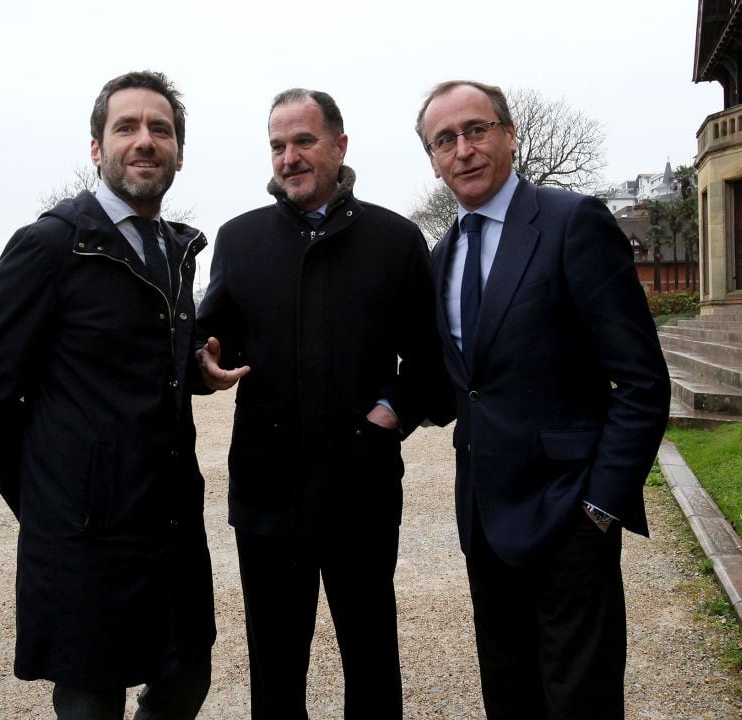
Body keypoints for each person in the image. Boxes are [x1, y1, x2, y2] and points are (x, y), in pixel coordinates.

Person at [415, 80, 672, 719]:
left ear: (508, 134)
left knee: (578, 703)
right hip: (484, 521)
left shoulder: (571, 223)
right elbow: (460, 383)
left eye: (476, 130)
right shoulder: (441, 256)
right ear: (432, 157)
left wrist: (601, 506)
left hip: (569, 519)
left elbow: (641, 381)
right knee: (509, 698)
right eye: (444, 140)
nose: (463, 150)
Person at [0, 70, 215, 720]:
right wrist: (51, 505)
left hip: (172, 530)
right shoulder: (48, 246)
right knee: (90, 704)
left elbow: (133, 361)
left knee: (187, 683)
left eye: (160, 129)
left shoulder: (174, 250)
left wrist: (194, 366)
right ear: (98, 149)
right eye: (126, 126)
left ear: (178, 153)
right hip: (84, 543)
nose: (144, 140)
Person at [195, 88, 449, 718]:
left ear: (340, 145)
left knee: (371, 657)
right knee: (275, 669)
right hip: (266, 491)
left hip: (360, 486)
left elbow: (431, 359)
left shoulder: (395, 239)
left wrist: (389, 412)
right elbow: (206, 338)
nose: (289, 157)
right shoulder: (240, 238)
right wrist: (199, 364)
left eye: (304, 141)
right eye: (278, 145)